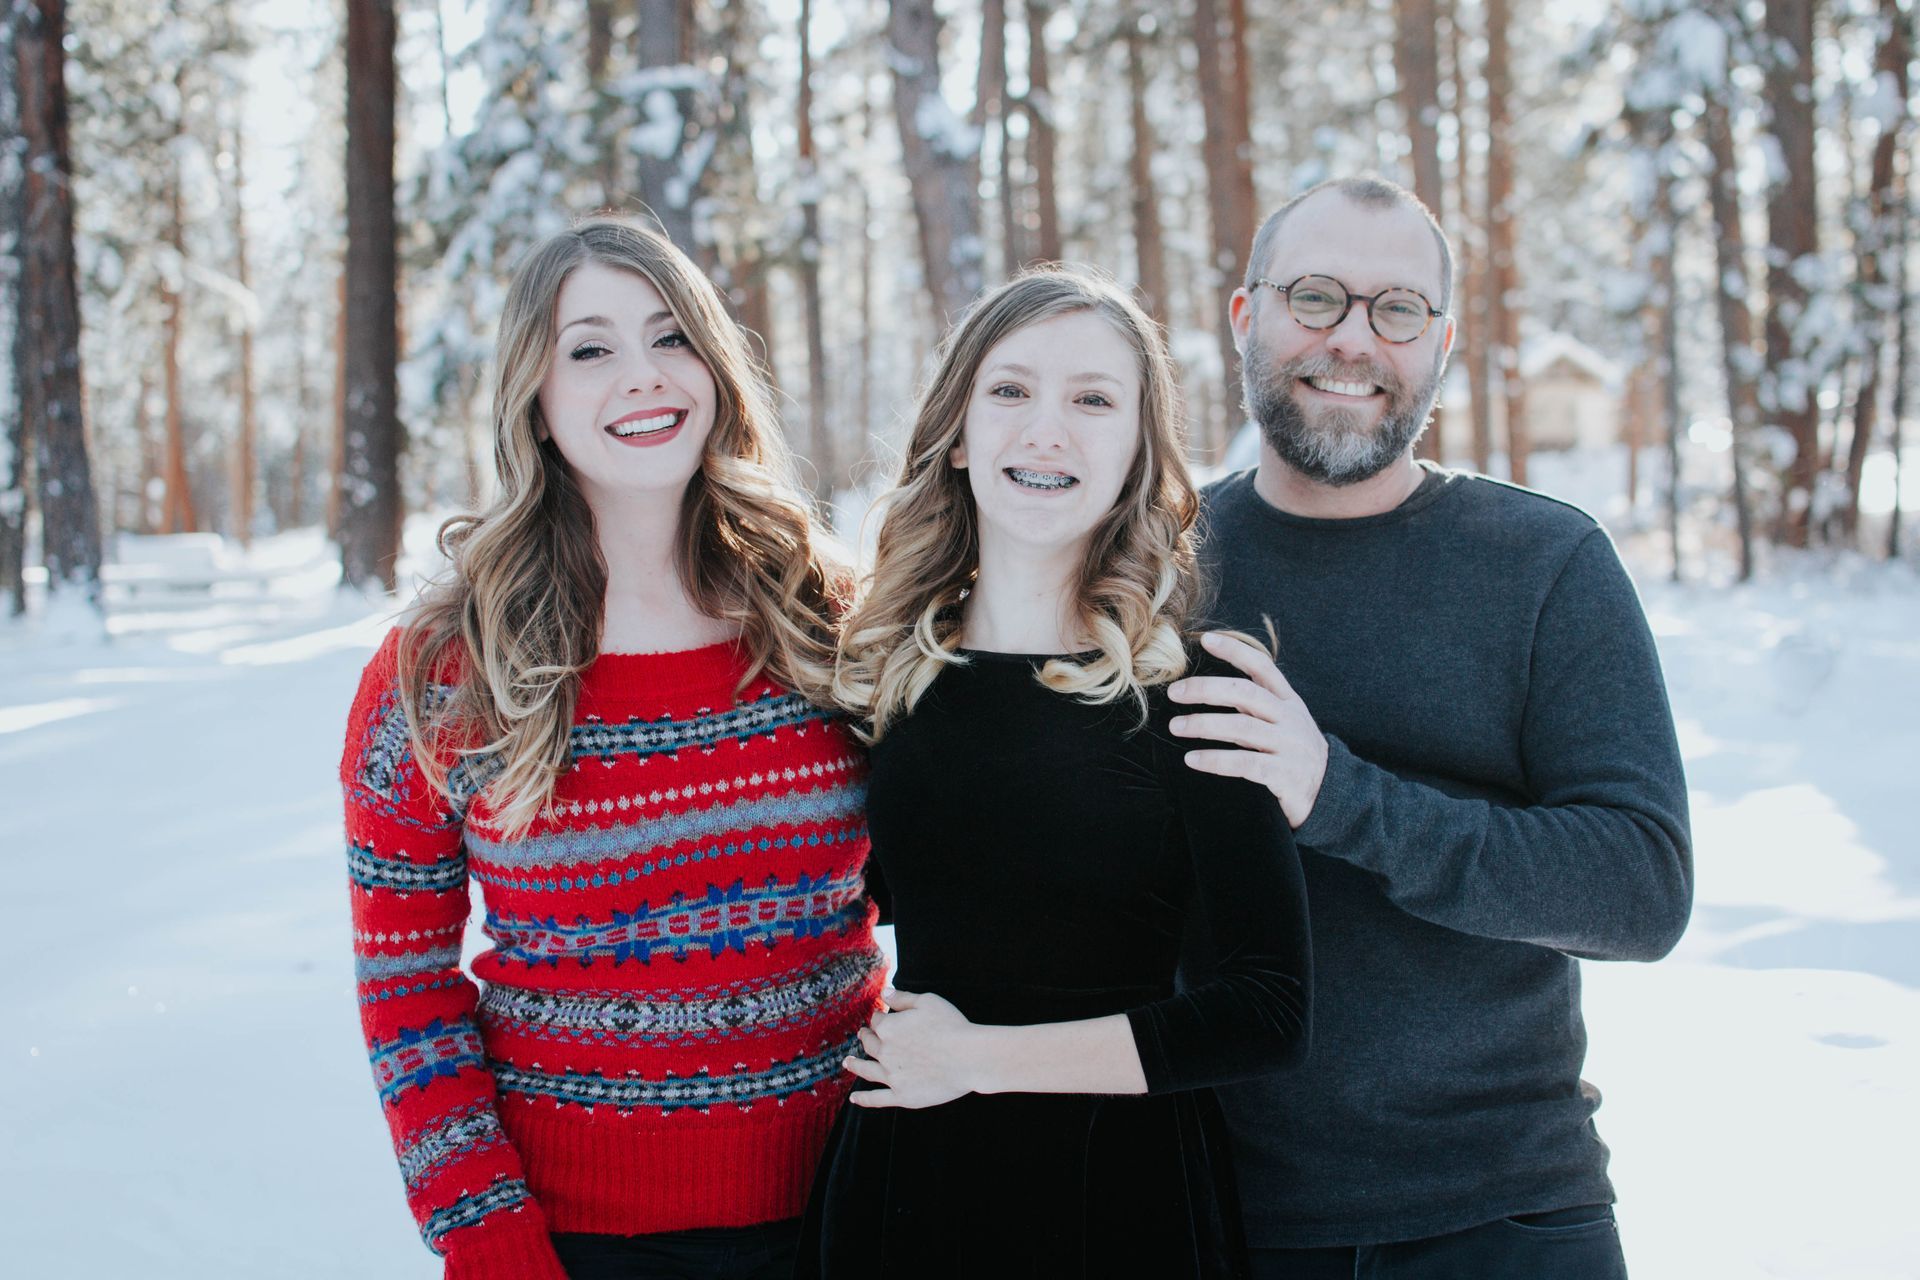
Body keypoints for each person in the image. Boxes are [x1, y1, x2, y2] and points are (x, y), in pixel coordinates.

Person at [1166, 175, 1692, 1279]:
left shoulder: (1546, 563)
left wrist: (1341, 797)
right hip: (1221, 1214)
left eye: (1397, 310)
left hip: (1505, 1213)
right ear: (1246, 315)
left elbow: (1640, 887)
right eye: (1316, 297)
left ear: (1441, 344)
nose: (1354, 340)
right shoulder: (1157, 567)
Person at [338, 218, 884, 1280]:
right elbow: (405, 989)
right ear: (533, 399)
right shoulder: (444, 670)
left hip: (853, 1207)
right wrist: (487, 1236)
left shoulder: (825, 618)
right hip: (579, 1241)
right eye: (590, 348)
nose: (644, 374)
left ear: (716, 367)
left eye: (672, 336)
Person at [800, 267, 1313, 1279]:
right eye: (1011, 390)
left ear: (1138, 453)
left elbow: (1268, 1011)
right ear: (957, 435)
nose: (1047, 431)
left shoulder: (1193, 688)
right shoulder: (883, 676)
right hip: (909, 1181)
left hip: (1120, 1192)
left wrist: (981, 1060)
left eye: (1092, 400)